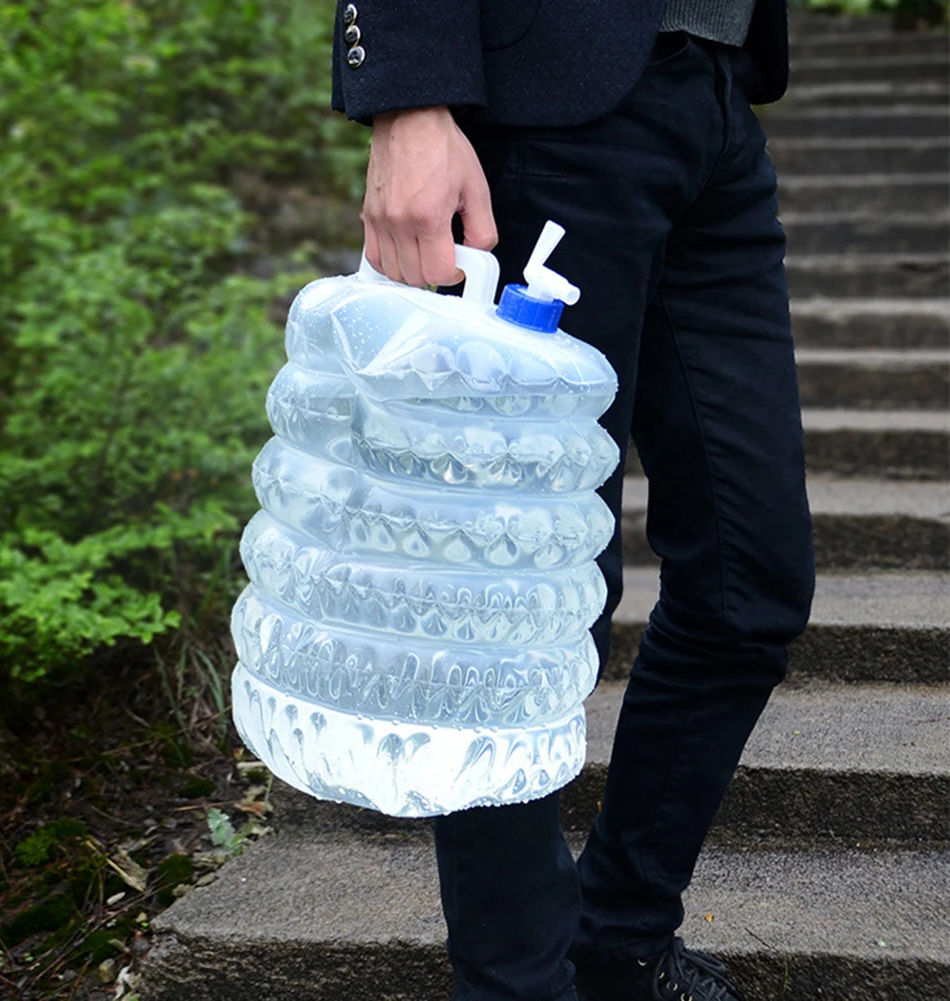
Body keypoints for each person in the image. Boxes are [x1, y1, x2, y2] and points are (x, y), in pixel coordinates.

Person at [330, 1, 816, 998]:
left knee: (749, 582)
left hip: (717, 98)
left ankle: (617, 939)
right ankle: (515, 984)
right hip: (544, 103)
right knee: (520, 604)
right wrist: (408, 97)